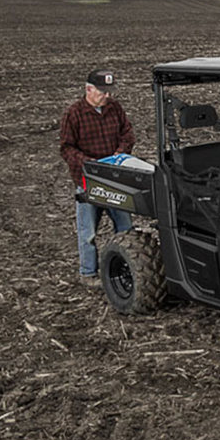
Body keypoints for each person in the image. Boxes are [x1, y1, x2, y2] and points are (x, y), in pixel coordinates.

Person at [60, 70, 135, 289]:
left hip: (114, 179)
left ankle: (127, 267)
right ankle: (88, 273)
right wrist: (90, 164)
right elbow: (66, 148)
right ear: (88, 89)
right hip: (88, 182)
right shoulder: (74, 114)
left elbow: (127, 134)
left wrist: (118, 156)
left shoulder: (115, 109)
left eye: (110, 92)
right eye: (103, 92)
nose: (107, 96)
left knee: (125, 228)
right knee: (88, 232)